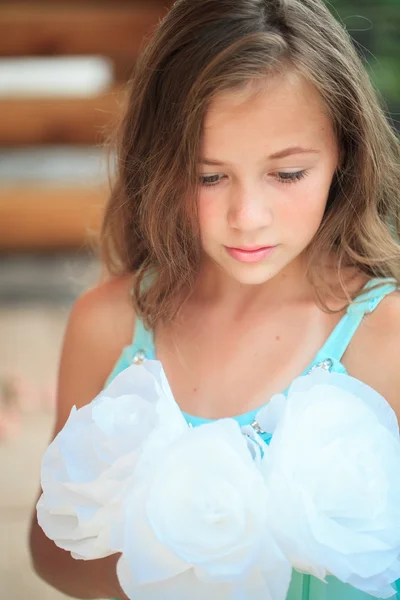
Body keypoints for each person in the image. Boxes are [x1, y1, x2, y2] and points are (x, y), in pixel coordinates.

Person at [29, 0, 400, 598]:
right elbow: (52, 553)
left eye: (287, 174)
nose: (247, 218)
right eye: (209, 177)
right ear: (158, 166)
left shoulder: (389, 336)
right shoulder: (109, 325)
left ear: (345, 156)